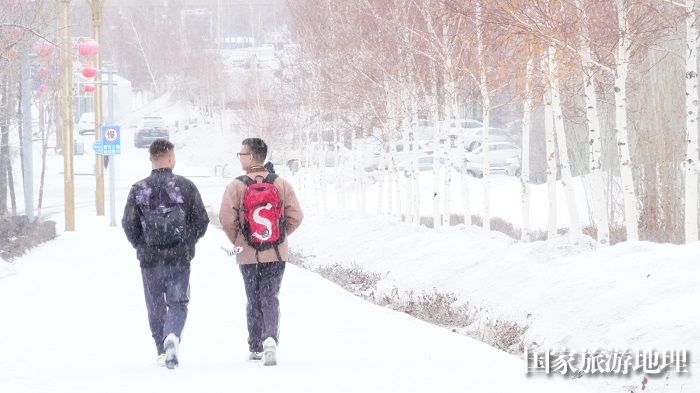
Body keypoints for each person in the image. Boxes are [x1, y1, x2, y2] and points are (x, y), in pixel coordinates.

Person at [122, 139, 209, 369]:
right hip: (179, 256)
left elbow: (128, 223)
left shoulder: (139, 189)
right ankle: (172, 334)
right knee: (178, 302)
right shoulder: (186, 186)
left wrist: (141, 245)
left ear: (150, 158)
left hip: (150, 259)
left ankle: (161, 350)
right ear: (171, 158)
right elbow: (201, 220)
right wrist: (188, 242)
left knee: (155, 304)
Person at [219, 138, 303, 366]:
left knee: (253, 297)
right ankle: (270, 340)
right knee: (270, 296)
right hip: (276, 252)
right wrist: (280, 234)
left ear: (253, 156)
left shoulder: (236, 186)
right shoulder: (281, 184)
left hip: (247, 254)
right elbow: (296, 215)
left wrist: (239, 239)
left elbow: (226, 219)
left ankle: (255, 346)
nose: (240, 157)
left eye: (242, 154)